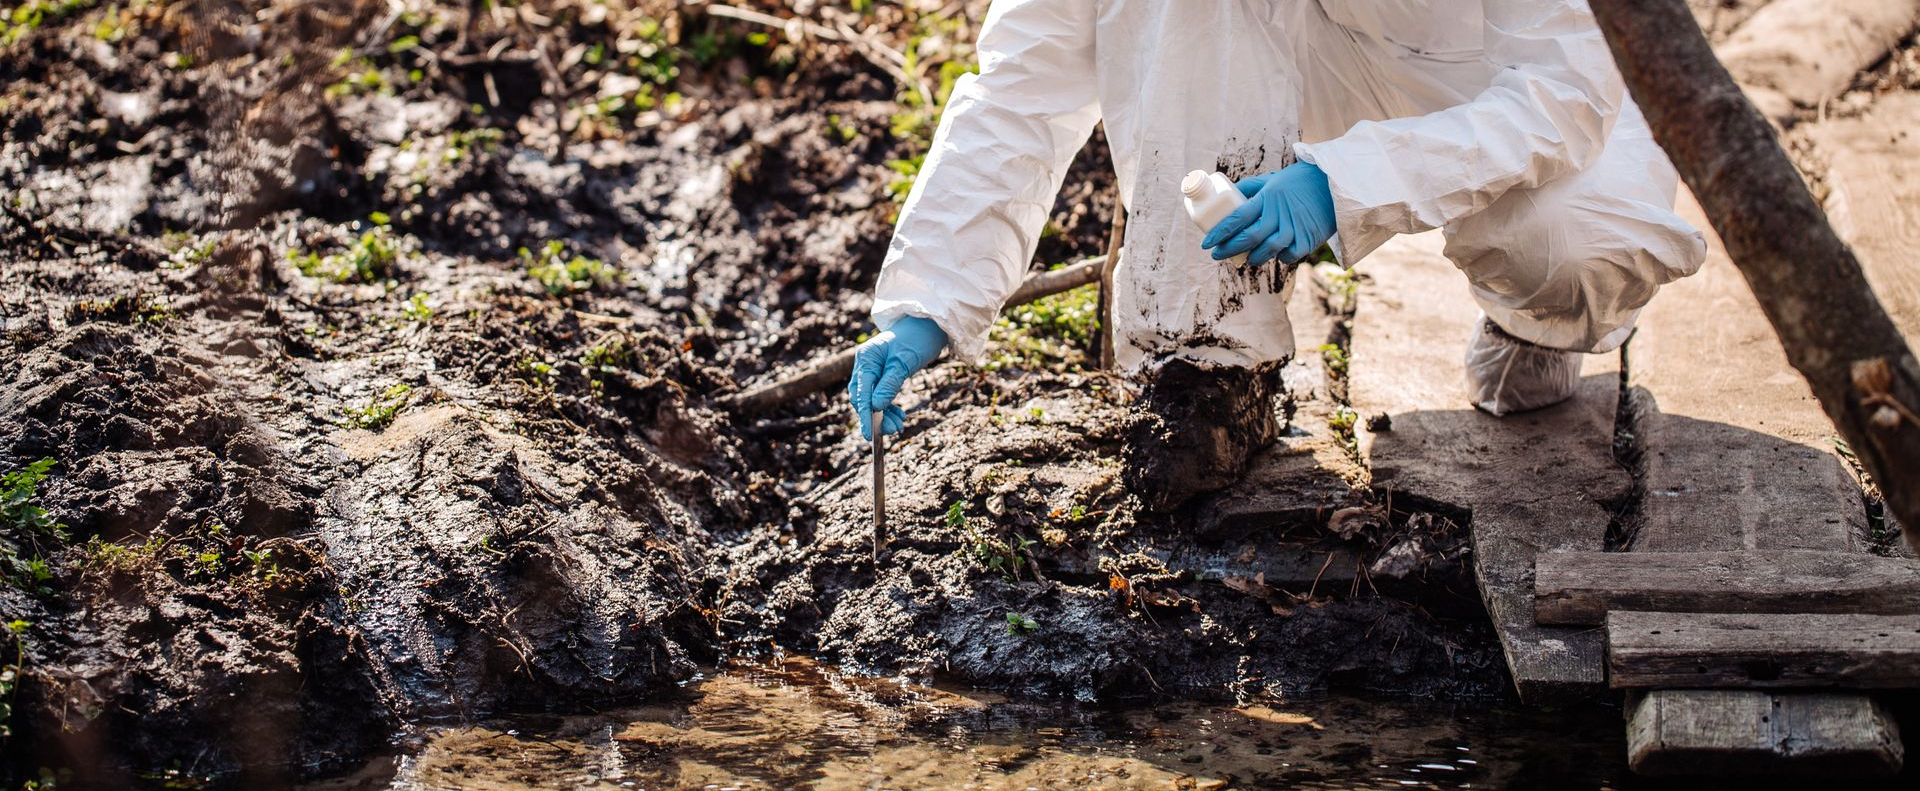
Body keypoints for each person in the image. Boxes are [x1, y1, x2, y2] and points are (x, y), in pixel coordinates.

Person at [845, 0, 1706, 512]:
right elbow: (1016, 99)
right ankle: (1210, 365)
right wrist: (930, 301)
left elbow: (1564, 94)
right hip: (1287, 64)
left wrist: (1350, 183)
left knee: (1580, 248)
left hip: (1502, 92)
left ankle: (1533, 329)